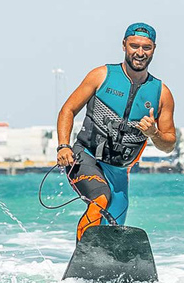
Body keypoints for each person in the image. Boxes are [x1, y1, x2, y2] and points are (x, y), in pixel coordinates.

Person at [55, 22, 176, 239]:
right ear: (124, 46)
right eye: (134, 46)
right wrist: (63, 146)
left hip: (119, 172)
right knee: (100, 199)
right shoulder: (101, 76)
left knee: (113, 230)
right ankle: (84, 258)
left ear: (154, 49)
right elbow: (68, 109)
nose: (140, 53)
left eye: (146, 48)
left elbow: (169, 143)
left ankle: (101, 270)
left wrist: (153, 134)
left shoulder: (161, 93)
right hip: (85, 157)